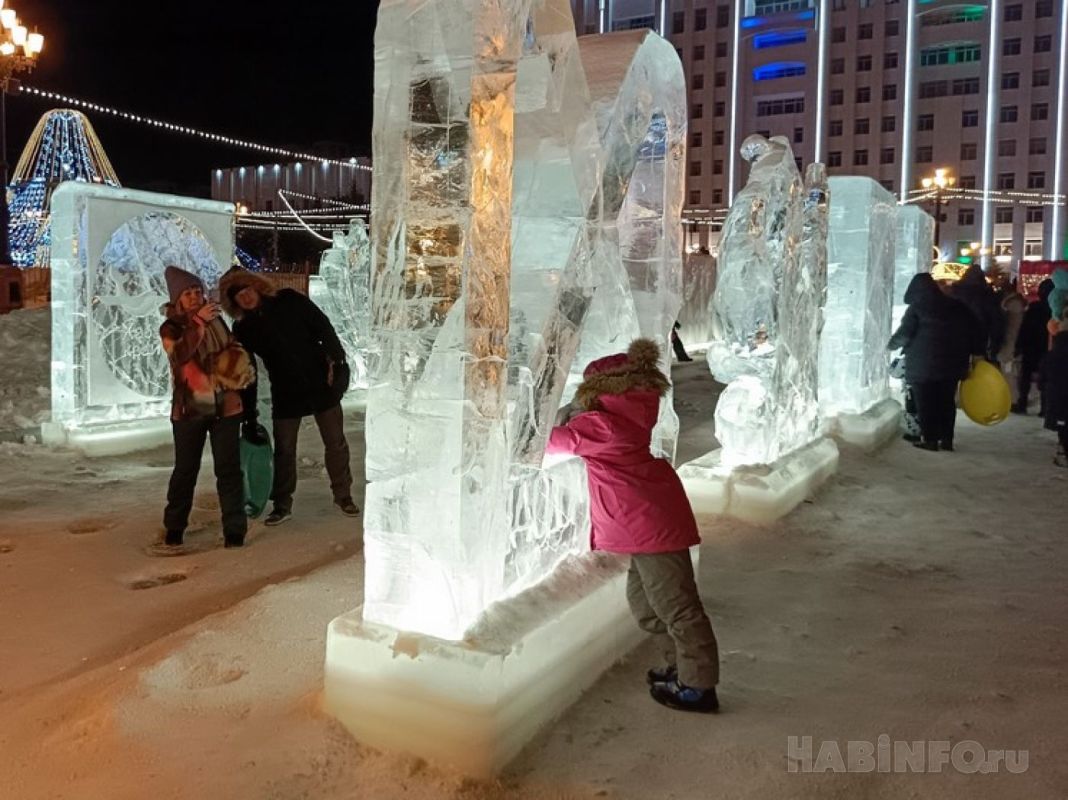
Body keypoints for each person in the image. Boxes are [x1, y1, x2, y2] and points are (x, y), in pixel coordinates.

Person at [546, 339, 720, 713]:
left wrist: (561, 410)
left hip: (651, 528)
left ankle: (698, 686)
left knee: (678, 608)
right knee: (646, 606)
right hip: (648, 524)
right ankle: (679, 666)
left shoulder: (602, 426)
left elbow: (547, 442)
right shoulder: (625, 418)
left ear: (599, 392)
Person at [219, 268, 359, 526]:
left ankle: (343, 495)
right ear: (234, 302)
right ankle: (282, 504)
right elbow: (247, 371)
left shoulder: (289, 300)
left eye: (247, 289)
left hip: (319, 383)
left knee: (335, 442)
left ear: (256, 286)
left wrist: (339, 362)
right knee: (284, 450)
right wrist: (249, 413)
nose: (246, 297)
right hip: (285, 391)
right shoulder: (244, 328)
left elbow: (323, 327)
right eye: (239, 295)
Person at [160, 266, 255, 549]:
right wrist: (198, 323)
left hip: (226, 406)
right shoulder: (172, 327)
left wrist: (237, 369)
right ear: (177, 298)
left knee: (229, 470)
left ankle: (234, 531)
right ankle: (174, 527)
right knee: (185, 470)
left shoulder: (217, 321)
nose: (194, 296)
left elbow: (233, 348)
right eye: (188, 293)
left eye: (197, 291)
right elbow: (179, 354)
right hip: (190, 410)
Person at [888, 273, 985, 452]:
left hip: (923, 364)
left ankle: (930, 440)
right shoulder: (958, 306)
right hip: (953, 364)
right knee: (947, 402)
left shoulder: (917, 308)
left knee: (926, 403)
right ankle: (947, 439)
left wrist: (890, 345)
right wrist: (976, 354)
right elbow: (977, 332)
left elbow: (904, 334)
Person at [1013, 279, 1054, 414]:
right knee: (1046, 377)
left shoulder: (1034, 308)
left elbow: (1024, 328)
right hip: (1047, 347)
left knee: (1025, 375)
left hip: (1031, 347)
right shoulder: (1055, 309)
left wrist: (1019, 345)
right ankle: (1044, 407)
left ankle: (1023, 402)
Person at [949, 264, 1005, 364]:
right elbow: (996, 321)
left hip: (956, 338)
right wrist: (995, 345)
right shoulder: (986, 295)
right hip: (979, 339)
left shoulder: (954, 293)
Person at [1043, 310, 1068, 468]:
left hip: (1060, 393)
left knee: (1063, 424)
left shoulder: (1056, 350)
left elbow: (1046, 371)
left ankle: (1063, 451)